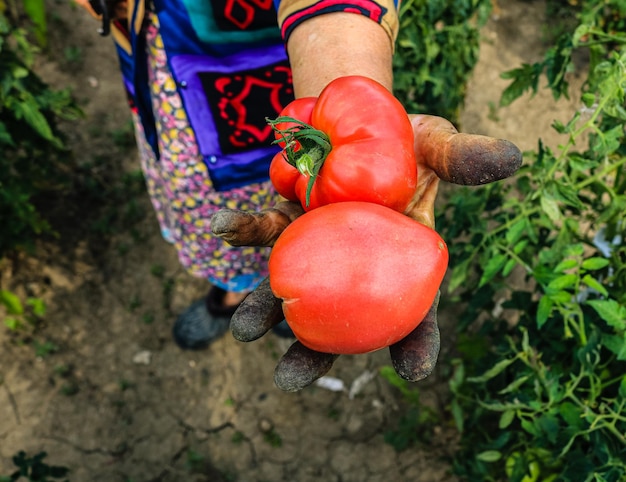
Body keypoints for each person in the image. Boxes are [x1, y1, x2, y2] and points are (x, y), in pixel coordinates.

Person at [75, 0, 522, 391]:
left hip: (283, 71)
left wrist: (341, 77)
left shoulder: (312, 150)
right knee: (233, 221)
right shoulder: (302, 162)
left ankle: (261, 297)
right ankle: (229, 292)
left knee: (268, 228)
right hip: (171, 68)